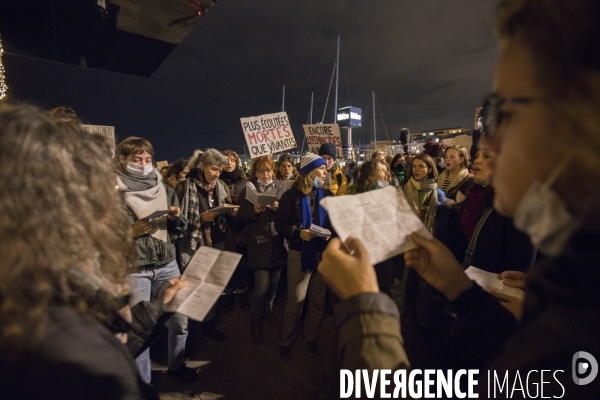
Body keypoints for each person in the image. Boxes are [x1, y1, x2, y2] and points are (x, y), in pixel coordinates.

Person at [318, 1, 600, 397]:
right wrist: (465, 293)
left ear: (577, 122)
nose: (486, 140)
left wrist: (364, 310)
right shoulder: (575, 288)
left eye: (503, 111)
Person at [0, 105, 187, 399]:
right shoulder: (50, 341)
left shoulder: (59, 289)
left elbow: (110, 341)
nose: (104, 217)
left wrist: (155, 309)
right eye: (86, 197)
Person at [116, 137, 197, 384]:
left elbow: (179, 228)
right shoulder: (113, 194)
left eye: (147, 160)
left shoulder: (164, 189)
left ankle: (176, 364)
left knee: (180, 319)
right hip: (135, 269)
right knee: (139, 330)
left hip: (166, 264)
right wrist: (129, 233)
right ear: (122, 160)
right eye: (136, 160)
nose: (143, 165)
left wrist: (176, 218)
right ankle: (144, 383)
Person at [175, 148, 239, 341]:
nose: (217, 173)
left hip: (218, 241)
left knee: (213, 287)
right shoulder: (185, 186)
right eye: (213, 169)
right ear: (201, 166)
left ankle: (209, 325)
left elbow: (226, 207)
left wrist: (232, 212)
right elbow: (177, 220)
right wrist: (201, 218)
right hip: (196, 243)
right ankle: (189, 332)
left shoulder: (220, 186)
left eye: (219, 170)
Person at [274, 153, 334, 360]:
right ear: (309, 172)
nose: (326, 172)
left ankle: (311, 338)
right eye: (321, 168)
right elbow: (279, 225)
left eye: (326, 169)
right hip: (299, 254)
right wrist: (297, 233)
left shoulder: (327, 196)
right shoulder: (290, 197)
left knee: (318, 300)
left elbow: (333, 225)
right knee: (296, 300)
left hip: (322, 255)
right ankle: (286, 340)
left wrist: (329, 235)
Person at [238, 156, 287, 345]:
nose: (265, 174)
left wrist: (279, 209)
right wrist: (254, 212)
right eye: (261, 171)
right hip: (258, 244)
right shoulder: (248, 190)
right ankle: (255, 322)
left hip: (276, 242)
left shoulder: (280, 188)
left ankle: (269, 309)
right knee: (261, 286)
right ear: (254, 173)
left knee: (275, 281)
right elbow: (241, 218)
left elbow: (288, 215)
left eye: (268, 170)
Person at [220, 150, 250, 313]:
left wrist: (240, 210)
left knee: (241, 264)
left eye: (232, 160)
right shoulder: (217, 181)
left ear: (237, 162)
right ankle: (229, 294)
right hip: (223, 227)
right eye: (226, 160)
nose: (229, 163)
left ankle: (242, 293)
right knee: (226, 262)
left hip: (240, 228)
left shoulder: (245, 182)